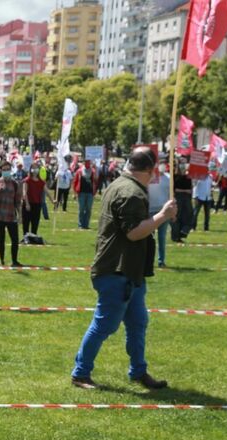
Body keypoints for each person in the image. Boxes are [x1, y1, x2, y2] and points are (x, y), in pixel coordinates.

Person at [70, 147, 177, 390]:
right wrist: (162, 216)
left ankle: (138, 371)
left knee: (138, 322)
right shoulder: (130, 193)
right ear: (149, 170)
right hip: (116, 271)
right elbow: (134, 232)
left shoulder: (121, 184)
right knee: (104, 324)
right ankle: (80, 373)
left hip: (130, 271)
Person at [0, 160, 23, 267]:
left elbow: (18, 201)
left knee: (15, 239)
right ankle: (0, 259)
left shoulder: (15, 184)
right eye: (4, 169)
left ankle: (14, 261)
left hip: (11, 216)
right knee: (1, 239)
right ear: (1, 170)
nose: (7, 171)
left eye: (8, 169)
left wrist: (20, 216)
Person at [147, 164, 171, 267]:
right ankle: (149, 260)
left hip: (163, 212)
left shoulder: (168, 178)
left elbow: (171, 195)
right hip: (150, 211)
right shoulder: (149, 177)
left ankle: (161, 261)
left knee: (162, 237)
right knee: (150, 238)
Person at [73, 159, 98, 229]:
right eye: (86, 162)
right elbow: (75, 182)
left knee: (88, 209)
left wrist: (95, 171)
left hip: (90, 193)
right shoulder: (79, 171)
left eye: (89, 162)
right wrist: (75, 193)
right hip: (81, 193)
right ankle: (80, 225)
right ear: (84, 162)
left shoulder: (93, 171)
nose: (87, 163)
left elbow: (96, 180)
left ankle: (86, 225)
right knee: (81, 209)